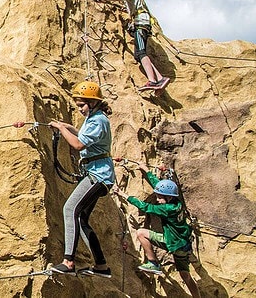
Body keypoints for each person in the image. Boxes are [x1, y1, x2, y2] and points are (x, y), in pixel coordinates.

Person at [48, 80, 115, 278]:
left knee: (70, 209)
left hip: (98, 175)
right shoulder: (94, 117)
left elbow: (78, 145)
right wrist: (66, 126)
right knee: (82, 218)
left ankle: (68, 261)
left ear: (93, 102)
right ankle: (101, 266)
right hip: (96, 174)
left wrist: (62, 130)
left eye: (82, 105)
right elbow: (84, 136)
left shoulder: (98, 120)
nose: (80, 109)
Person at [112, 163, 201, 298]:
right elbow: (159, 185)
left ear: (168, 197)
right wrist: (147, 171)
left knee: (141, 233)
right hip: (184, 244)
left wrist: (124, 195)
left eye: (160, 197)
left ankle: (153, 263)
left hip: (173, 243)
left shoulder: (166, 209)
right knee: (185, 275)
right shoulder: (177, 203)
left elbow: (145, 207)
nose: (158, 200)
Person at [98, 0, 169, 91]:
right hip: (142, 23)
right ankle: (160, 79)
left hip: (141, 24)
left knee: (141, 53)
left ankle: (153, 81)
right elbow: (128, 7)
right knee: (138, 55)